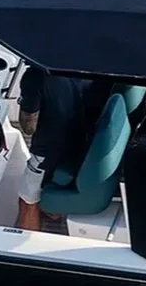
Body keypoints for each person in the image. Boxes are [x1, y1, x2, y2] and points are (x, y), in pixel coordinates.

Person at [15, 67, 105, 232]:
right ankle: (53, 213)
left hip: (48, 153)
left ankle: (27, 241)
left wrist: (25, 102)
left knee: (27, 201)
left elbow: (29, 127)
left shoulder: (35, 76)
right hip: (80, 144)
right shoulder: (86, 66)